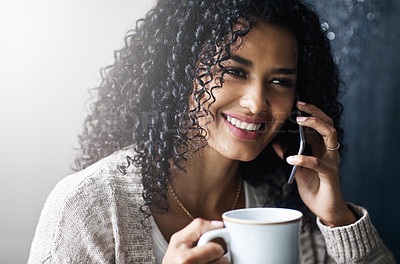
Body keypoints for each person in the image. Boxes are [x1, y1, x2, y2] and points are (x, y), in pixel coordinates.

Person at [28, 0, 395, 263]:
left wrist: (337, 218)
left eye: (280, 81)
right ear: (180, 71)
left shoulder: (286, 208)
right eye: (235, 71)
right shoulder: (89, 207)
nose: (257, 103)